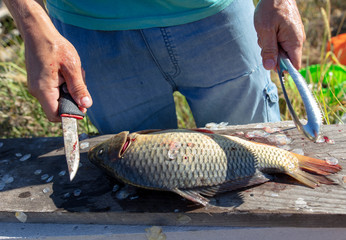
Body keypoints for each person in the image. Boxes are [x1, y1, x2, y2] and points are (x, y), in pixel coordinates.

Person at [4, 0, 305, 134]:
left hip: (218, 20)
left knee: (258, 160)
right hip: (90, 32)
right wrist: (30, 17)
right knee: (139, 186)